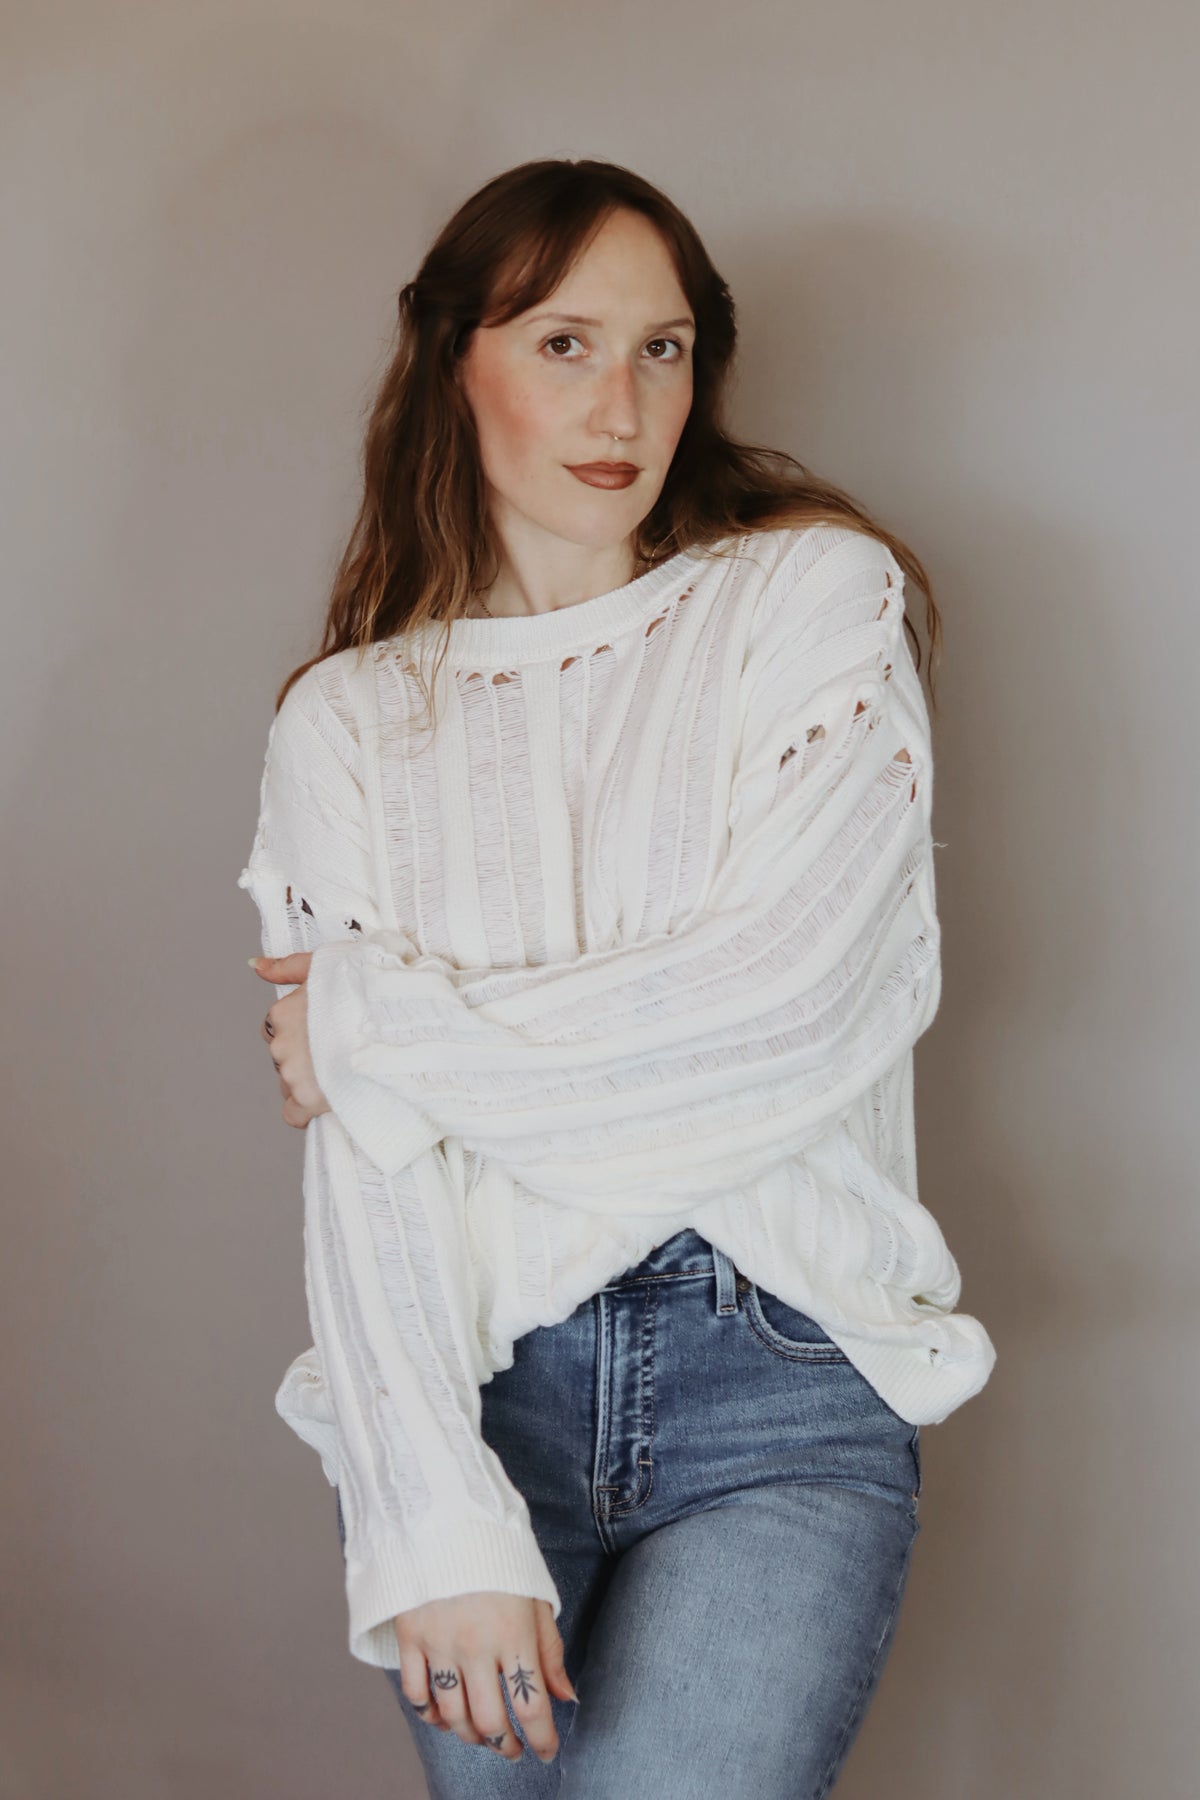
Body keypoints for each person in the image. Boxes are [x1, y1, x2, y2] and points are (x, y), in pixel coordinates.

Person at [238, 157, 996, 1797]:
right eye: (565, 344)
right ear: (455, 362)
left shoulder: (812, 596)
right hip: (479, 1388)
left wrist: (368, 1024)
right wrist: (427, 1515)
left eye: (664, 349)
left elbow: (791, 1008)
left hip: (778, 1382)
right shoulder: (346, 721)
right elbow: (366, 1174)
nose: (624, 404)